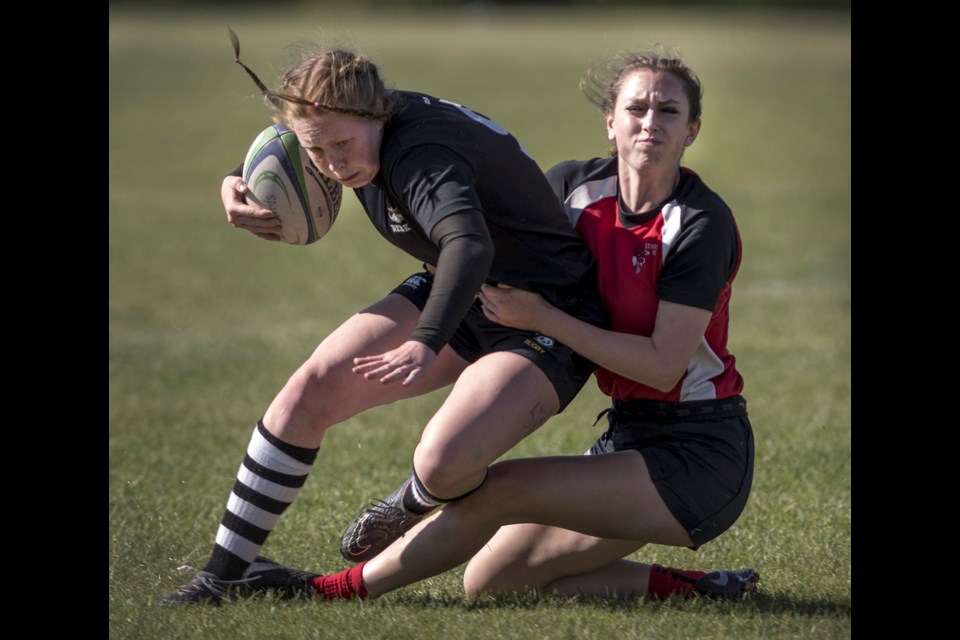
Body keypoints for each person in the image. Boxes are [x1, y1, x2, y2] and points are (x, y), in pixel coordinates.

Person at [222, 47, 759, 604]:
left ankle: (329, 589)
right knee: (491, 582)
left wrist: (544, 320)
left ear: (692, 129)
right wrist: (243, 179)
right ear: (610, 119)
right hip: (623, 437)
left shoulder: (700, 223)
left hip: (696, 450)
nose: (650, 123)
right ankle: (704, 590)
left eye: (668, 112)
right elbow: (326, 129)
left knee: (490, 490)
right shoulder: (573, 188)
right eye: (636, 108)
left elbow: (664, 365)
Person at [156, 31, 608, 605]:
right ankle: (223, 576)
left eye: (342, 145)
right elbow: (295, 144)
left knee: (445, 462)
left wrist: (426, 340)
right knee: (307, 392)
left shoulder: (419, 154)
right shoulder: (343, 126)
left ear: (378, 115)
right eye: (315, 151)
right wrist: (235, 180)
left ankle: (412, 501)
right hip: (461, 286)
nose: (331, 165)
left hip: (549, 314)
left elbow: (470, 245)